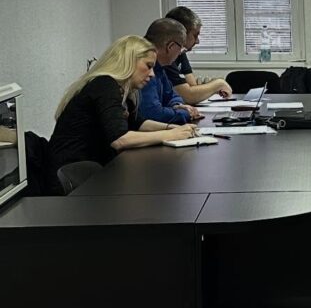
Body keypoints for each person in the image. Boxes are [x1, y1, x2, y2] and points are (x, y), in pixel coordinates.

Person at [46, 35, 199, 194]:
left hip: (93, 171)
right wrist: (172, 135)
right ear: (129, 61)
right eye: (148, 66)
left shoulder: (121, 89)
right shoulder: (104, 85)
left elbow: (137, 123)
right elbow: (120, 139)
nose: (152, 74)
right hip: (74, 178)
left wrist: (170, 128)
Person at [138, 18, 203, 125]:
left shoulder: (159, 66)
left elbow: (172, 95)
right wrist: (186, 113)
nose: (180, 53)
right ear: (170, 46)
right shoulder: (144, 69)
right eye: (181, 48)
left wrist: (177, 105)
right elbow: (153, 114)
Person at [163, 6, 233, 104]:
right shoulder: (165, 56)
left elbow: (192, 86)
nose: (197, 41)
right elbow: (188, 97)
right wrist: (218, 84)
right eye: (195, 35)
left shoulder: (180, 52)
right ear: (181, 34)